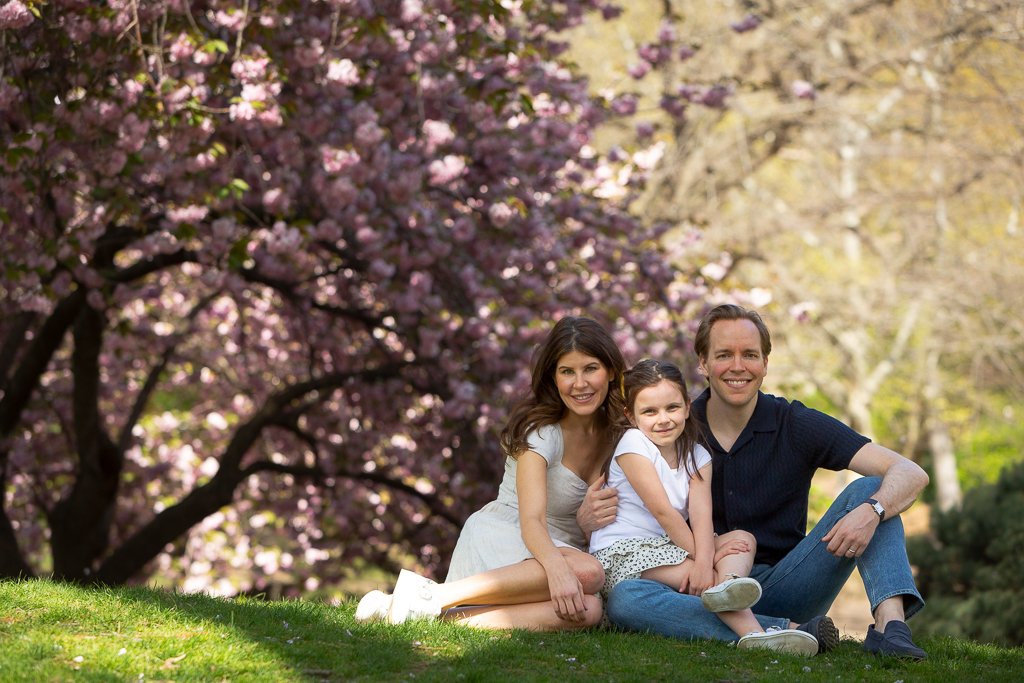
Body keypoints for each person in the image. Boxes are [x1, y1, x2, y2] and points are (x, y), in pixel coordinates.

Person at [580, 304, 929, 659]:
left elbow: (909, 473)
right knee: (626, 599)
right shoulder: (672, 428)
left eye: (749, 354)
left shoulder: (796, 423)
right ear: (703, 363)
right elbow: (626, 505)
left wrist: (873, 511)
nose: (737, 366)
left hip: (788, 581)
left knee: (872, 490)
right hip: (699, 586)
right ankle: (783, 632)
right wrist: (586, 518)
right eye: (723, 355)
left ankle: (890, 628)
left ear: (764, 363)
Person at [355, 315, 626, 630]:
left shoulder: (619, 437)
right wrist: (559, 570)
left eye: (590, 368)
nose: (580, 384)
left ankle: (435, 617)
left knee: (589, 610)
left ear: (610, 370)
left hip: (563, 551)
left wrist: (584, 527)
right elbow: (532, 522)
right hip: (510, 535)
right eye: (567, 372)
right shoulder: (542, 432)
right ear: (553, 378)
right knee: (589, 573)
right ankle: (435, 596)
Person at [589, 358, 818, 655]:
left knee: (742, 539)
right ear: (631, 416)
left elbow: (700, 516)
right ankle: (759, 633)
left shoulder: (697, 455)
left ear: (686, 406)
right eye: (649, 411)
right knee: (699, 573)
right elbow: (664, 513)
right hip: (624, 551)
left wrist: (706, 558)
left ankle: (727, 587)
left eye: (672, 408)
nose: (663, 419)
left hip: (670, 546)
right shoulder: (633, 444)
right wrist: (703, 562)